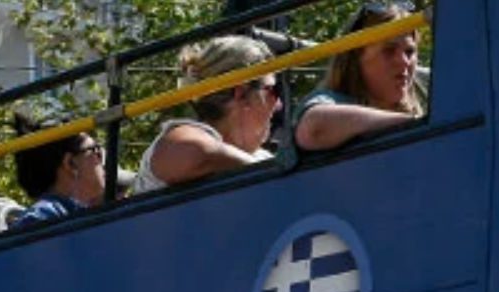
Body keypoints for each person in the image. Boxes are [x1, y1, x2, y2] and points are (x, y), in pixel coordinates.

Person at [130, 37, 278, 195]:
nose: (278, 103)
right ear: (240, 93)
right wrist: (270, 172)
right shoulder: (183, 137)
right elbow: (189, 152)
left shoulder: (261, 156)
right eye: (272, 91)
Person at [294, 2, 424, 153]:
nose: (404, 62)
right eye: (389, 51)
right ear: (356, 57)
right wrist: (409, 124)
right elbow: (313, 129)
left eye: (409, 51)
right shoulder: (332, 101)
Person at [9, 116, 107, 227]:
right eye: (96, 151)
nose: (102, 161)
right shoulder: (41, 219)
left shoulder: (74, 214)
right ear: (71, 163)